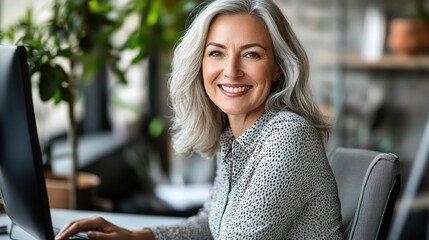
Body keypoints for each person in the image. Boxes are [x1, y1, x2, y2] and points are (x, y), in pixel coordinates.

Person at [56, 0, 344, 239]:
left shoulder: (288, 136)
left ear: (278, 69)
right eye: (216, 53)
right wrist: (138, 236)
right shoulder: (235, 135)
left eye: (251, 54)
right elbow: (211, 224)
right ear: (201, 64)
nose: (231, 70)